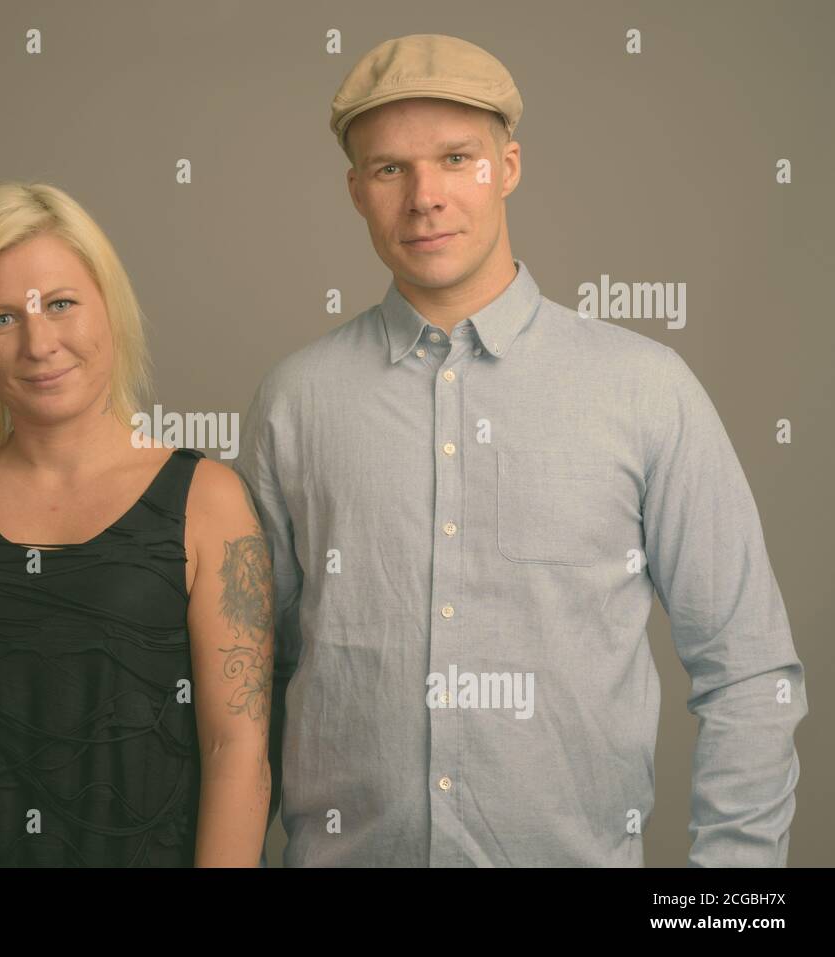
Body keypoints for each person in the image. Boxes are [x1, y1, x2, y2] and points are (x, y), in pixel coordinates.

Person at [234, 33, 807, 866]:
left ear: (508, 165)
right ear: (356, 190)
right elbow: (245, 688)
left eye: (455, 158)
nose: (424, 197)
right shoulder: (294, 402)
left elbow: (750, 673)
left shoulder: (647, 388)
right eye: (391, 169)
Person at [0, 182, 273, 866]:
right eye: (0, 318)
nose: (38, 342)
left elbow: (236, 746)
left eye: (60, 304)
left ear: (109, 311)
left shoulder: (209, 501)